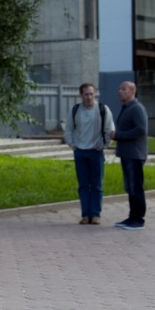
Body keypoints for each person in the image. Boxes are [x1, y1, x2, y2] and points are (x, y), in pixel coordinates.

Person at [65, 82, 114, 225]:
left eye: (91, 94)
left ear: (95, 94)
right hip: (80, 152)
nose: (89, 97)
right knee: (83, 185)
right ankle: (85, 215)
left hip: (95, 152)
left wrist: (104, 144)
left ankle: (96, 214)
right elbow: (68, 129)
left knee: (97, 185)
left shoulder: (102, 109)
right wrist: (72, 145)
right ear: (81, 95)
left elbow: (109, 129)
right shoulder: (75, 110)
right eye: (86, 94)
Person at [110, 81, 148, 231]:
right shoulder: (126, 108)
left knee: (135, 187)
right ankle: (132, 217)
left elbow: (141, 130)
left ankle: (138, 219)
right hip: (127, 154)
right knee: (130, 187)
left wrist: (119, 135)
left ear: (132, 92)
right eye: (119, 89)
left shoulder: (137, 108)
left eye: (124, 89)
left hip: (134, 154)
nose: (120, 91)